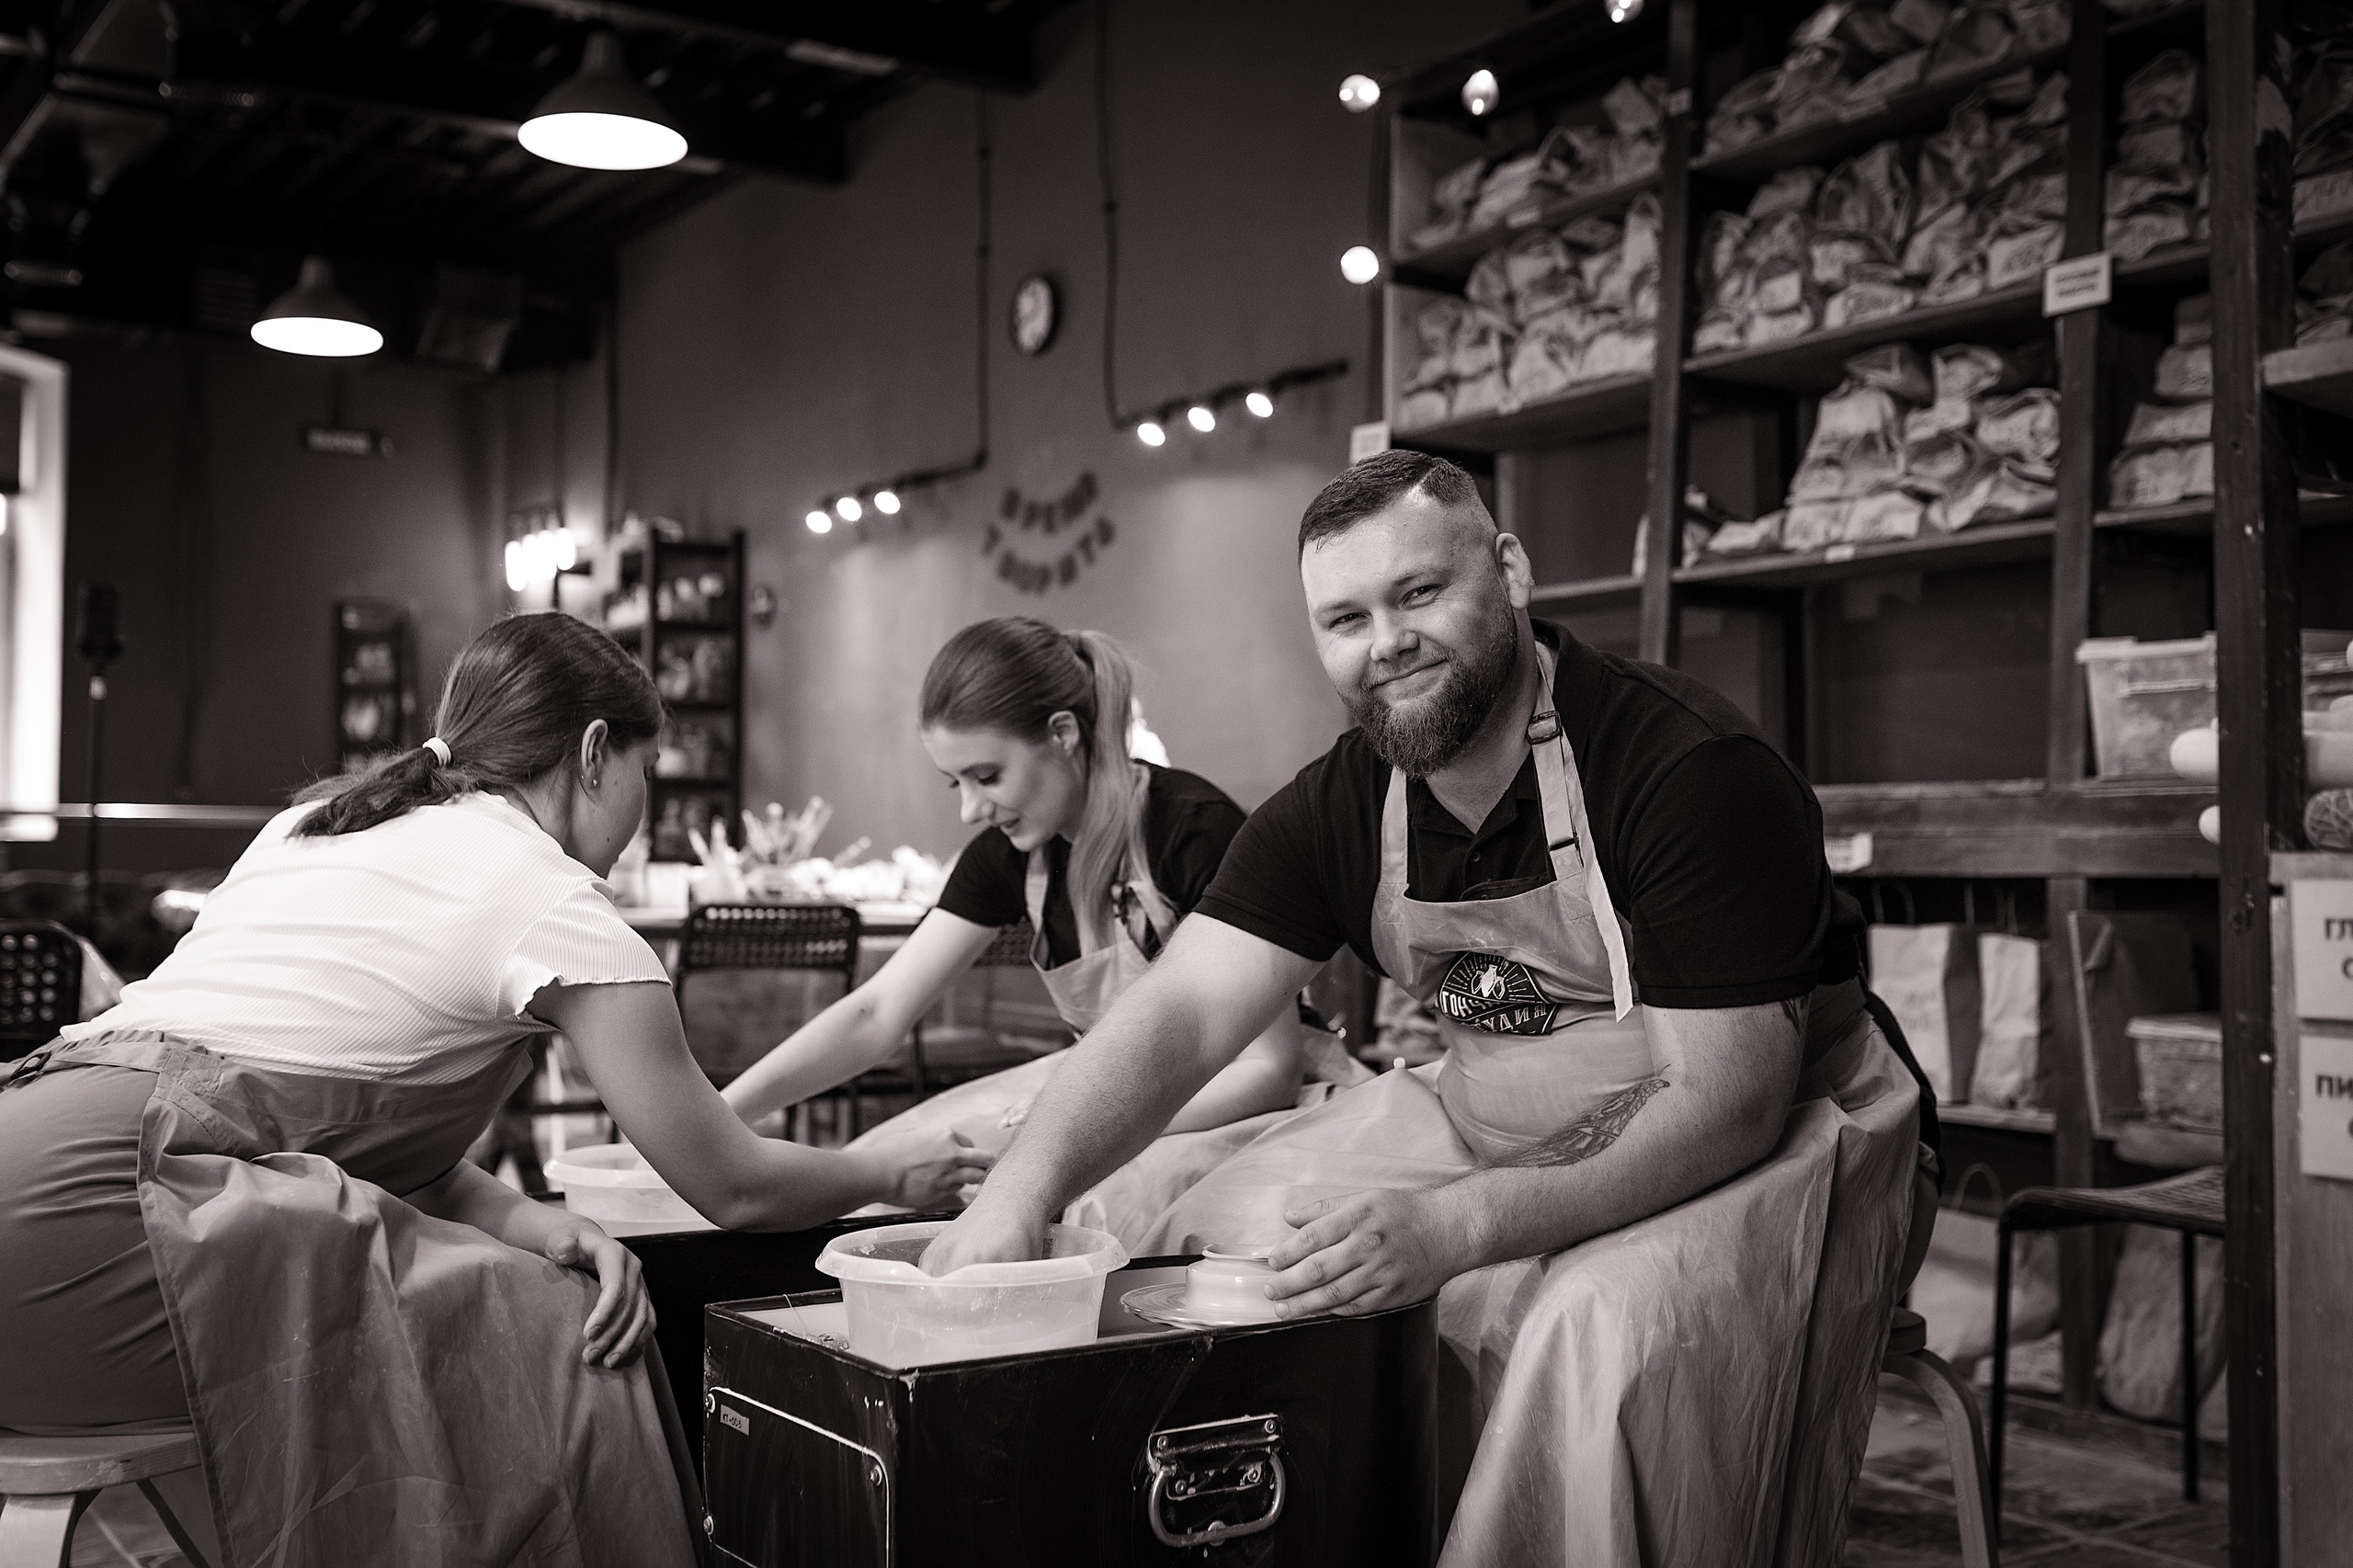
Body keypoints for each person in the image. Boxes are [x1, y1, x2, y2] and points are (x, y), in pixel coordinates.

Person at [924, 452, 1941, 1565]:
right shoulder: (1343, 801)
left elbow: (1727, 1102)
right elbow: (1179, 1013)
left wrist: (1455, 1227)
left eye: (1418, 592)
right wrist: (1020, 1192)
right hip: (1488, 1112)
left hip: (1782, 1136)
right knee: (1195, 1236)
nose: (1386, 642)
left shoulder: (1686, 767)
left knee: (1588, 1328)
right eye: (1345, 618)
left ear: (1508, 571)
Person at [0, 612, 989, 1568]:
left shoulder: (311, 825)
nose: (645, 807)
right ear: (595, 752)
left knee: (531, 1281)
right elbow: (733, 1186)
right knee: (574, 1339)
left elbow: (337, 1141)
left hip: (35, 1150)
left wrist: (544, 1223)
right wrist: (887, 1171)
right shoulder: (554, 904)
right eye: (647, 768)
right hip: (105, 1219)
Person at [722, 617, 1357, 1237]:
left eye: (987, 777)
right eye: (954, 783)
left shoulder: (1192, 830)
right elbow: (876, 1012)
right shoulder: (1011, 854)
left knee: (1089, 1215)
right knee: (880, 1179)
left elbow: (1268, 1071)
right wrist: (723, 1120)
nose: (970, 809)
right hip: (1113, 1090)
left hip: (1250, 1102)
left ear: (1062, 734)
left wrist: (1065, 1137)